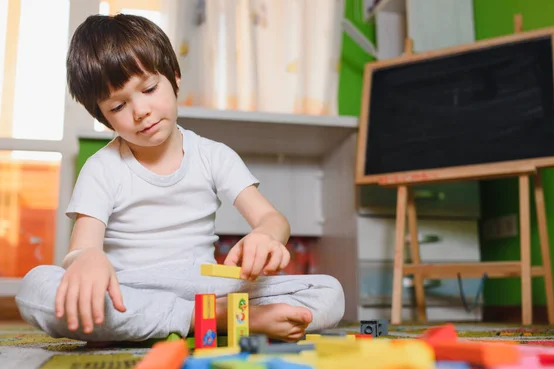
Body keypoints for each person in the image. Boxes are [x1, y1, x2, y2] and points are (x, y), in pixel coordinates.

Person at [15, 13, 344, 343]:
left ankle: (197, 316)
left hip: (207, 287)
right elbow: (81, 248)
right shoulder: (103, 167)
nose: (140, 110)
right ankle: (217, 320)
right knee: (37, 287)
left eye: (149, 88)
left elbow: (272, 218)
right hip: (129, 289)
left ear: (174, 77)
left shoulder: (212, 155)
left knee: (328, 291)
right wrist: (87, 261)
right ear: (104, 118)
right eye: (118, 106)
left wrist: (266, 236)